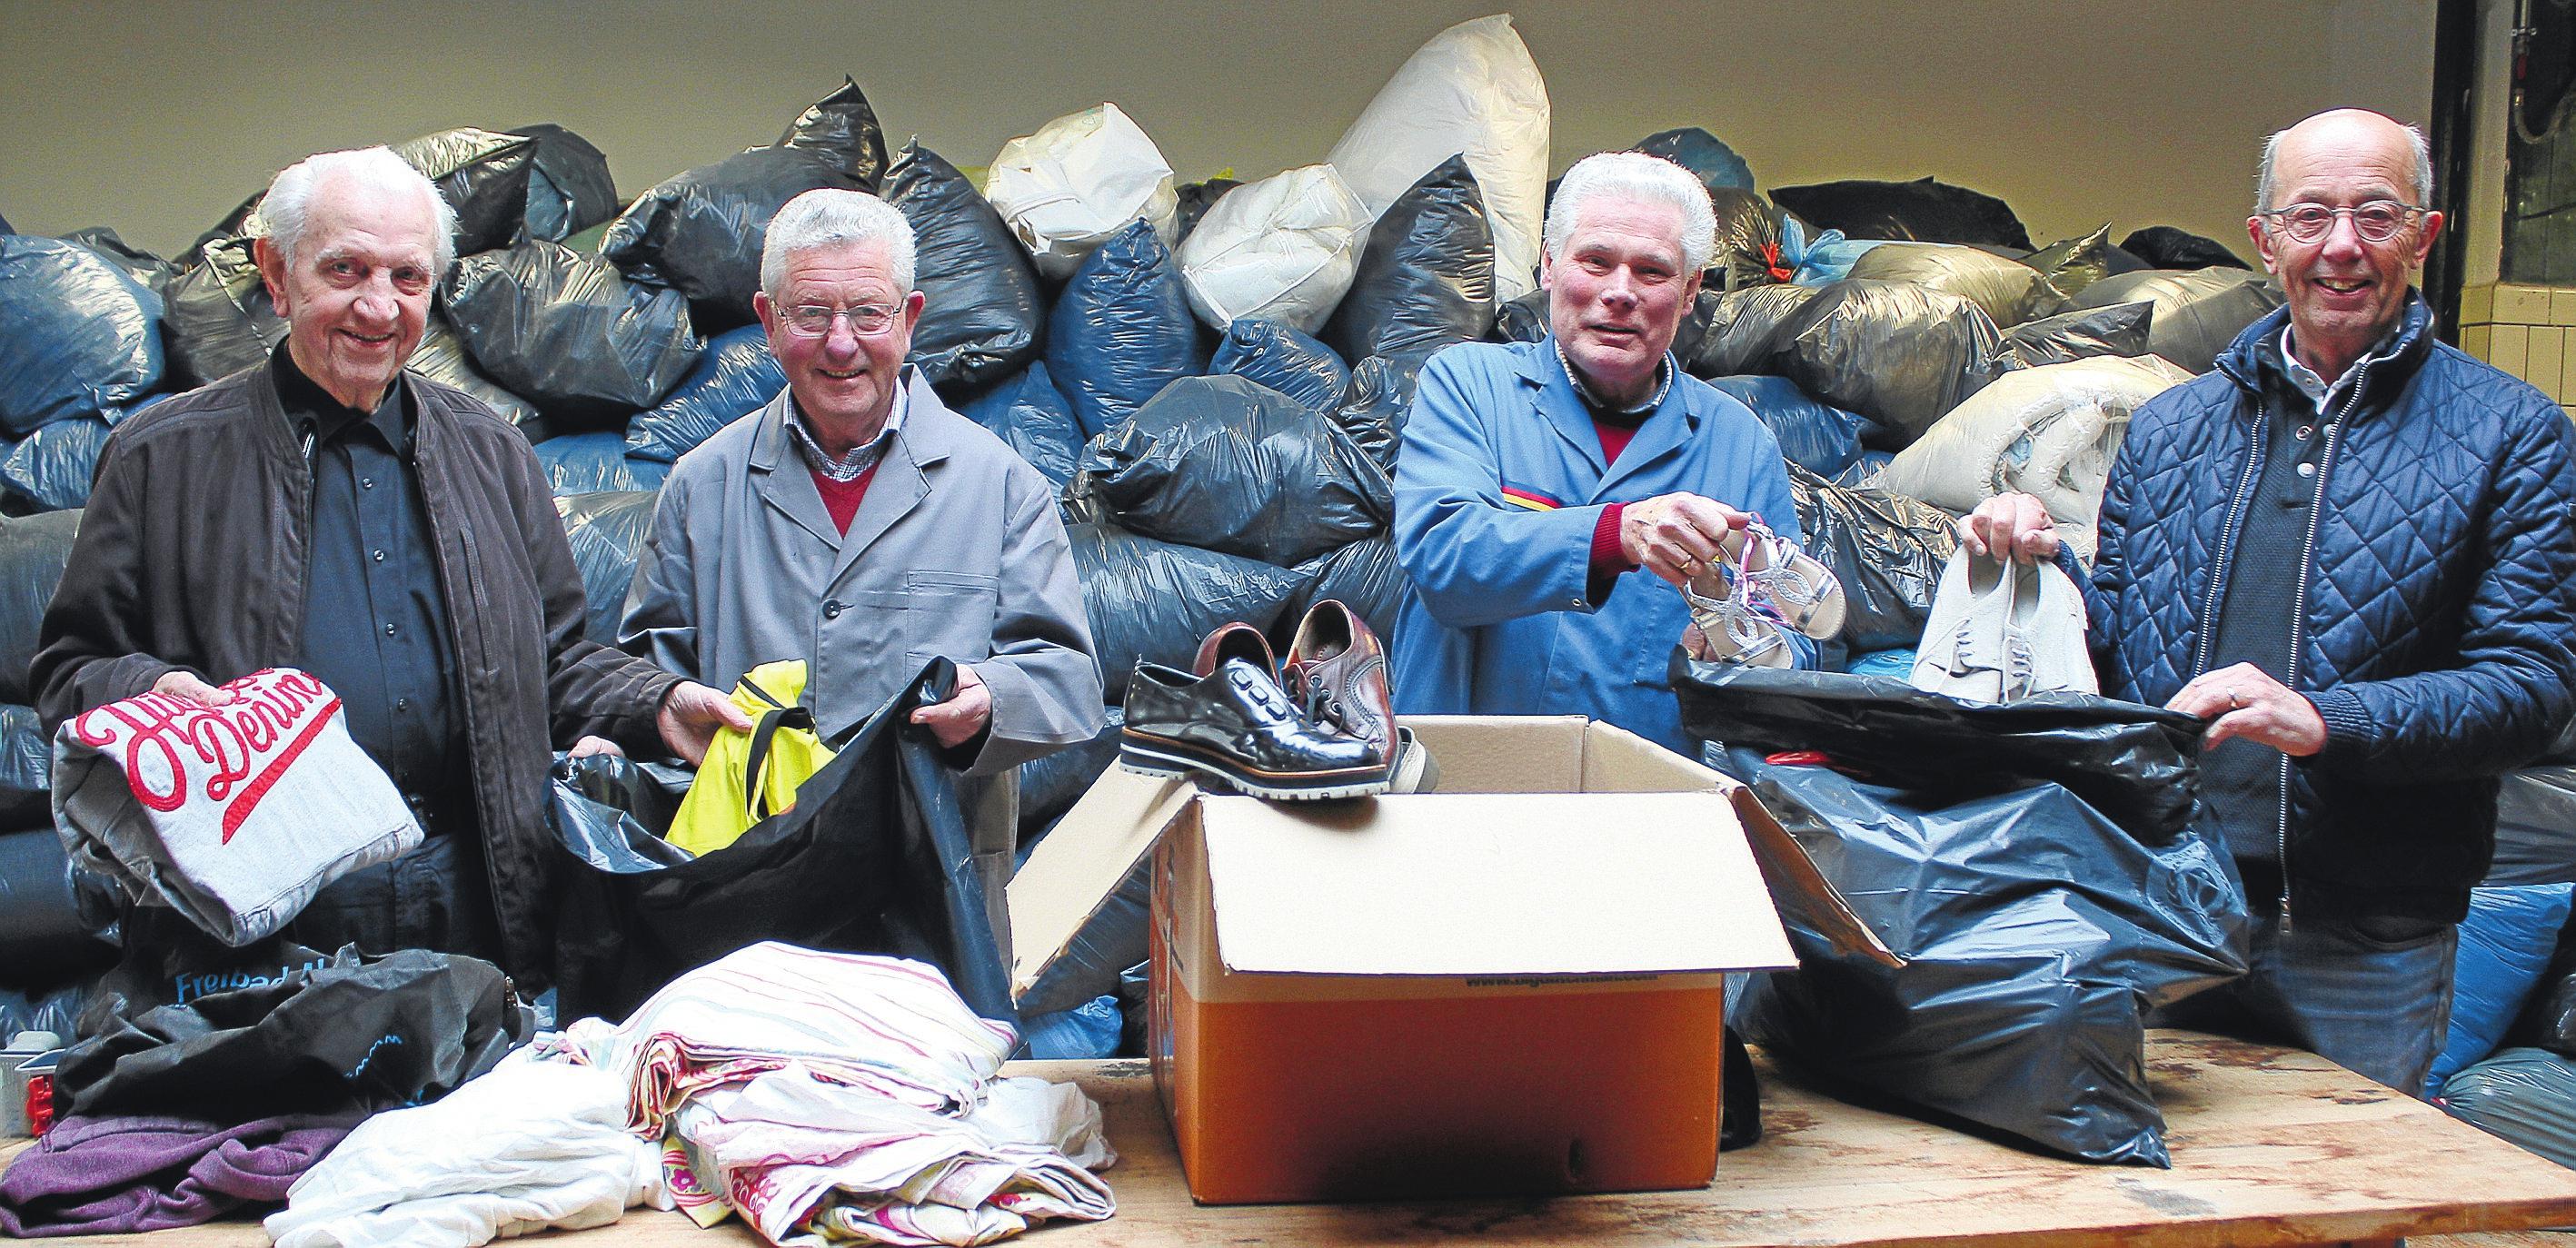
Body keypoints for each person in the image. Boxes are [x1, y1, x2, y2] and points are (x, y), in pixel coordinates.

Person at [1965, 108, 2576, 1094]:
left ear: (2426, 235)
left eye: (2377, 215)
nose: (2343, 246)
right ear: (2264, 239)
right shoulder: (2170, 429)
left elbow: (2533, 687)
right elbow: (2118, 647)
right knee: (2142, 1212)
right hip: (2163, 904)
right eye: (2311, 216)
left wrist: (2326, 721)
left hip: (2366, 938)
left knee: (2341, 1208)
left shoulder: (2513, 435)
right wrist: (2037, 569)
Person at [32, 147, 749, 985]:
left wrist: (656, 703)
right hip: (271, 921)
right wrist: (154, 695)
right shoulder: (164, 458)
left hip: (472, 906)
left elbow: (553, 661)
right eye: (345, 269)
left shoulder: (493, 452)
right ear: (276, 272)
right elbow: (68, 669)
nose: (378, 306)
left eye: (407, 278)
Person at [621, 187, 1099, 775]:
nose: (841, 342)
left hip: (930, 856)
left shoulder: (1003, 488)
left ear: (909, 319)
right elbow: (646, 676)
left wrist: (992, 699)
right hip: (750, 854)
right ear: (769, 322)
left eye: (868, 311)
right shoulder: (702, 484)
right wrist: (639, 722)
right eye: (811, 313)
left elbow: (1070, 684)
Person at [1389, 151, 1811, 754]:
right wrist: (1619, 535)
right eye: (1595, 261)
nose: (1619, 292)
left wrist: (1735, 644)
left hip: (1637, 809)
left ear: (1691, 291)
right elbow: (1442, 558)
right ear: (1549, 267)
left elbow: (1792, 640)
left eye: (1651, 272)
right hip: (1461, 793)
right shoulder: (1469, 385)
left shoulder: (1737, 443)